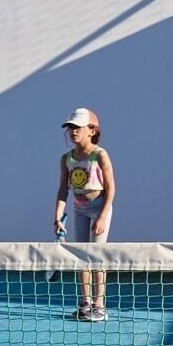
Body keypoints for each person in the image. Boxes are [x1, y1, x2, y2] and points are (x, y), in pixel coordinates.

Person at [55, 107, 115, 322]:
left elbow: (111, 189)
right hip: (78, 209)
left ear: (92, 131)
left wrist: (102, 216)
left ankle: (99, 305)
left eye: (78, 127)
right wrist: (57, 218)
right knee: (82, 256)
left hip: (99, 208)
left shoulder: (100, 155)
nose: (73, 131)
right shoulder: (66, 159)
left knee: (97, 256)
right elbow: (63, 190)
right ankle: (85, 303)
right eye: (71, 127)